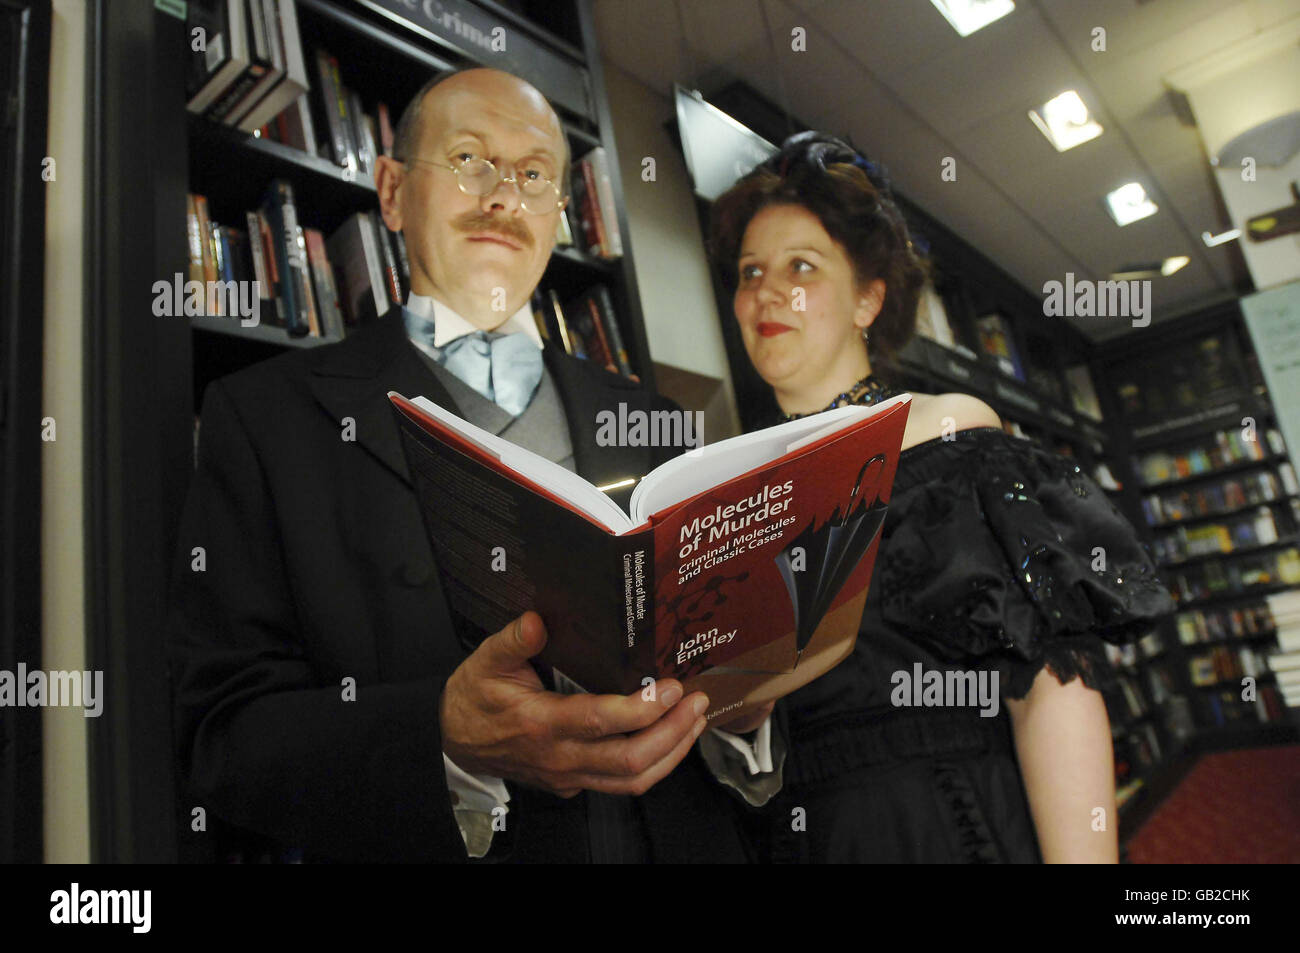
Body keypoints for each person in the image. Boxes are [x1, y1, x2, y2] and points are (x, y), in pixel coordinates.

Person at [167, 67, 780, 864]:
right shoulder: (261, 418)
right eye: (466, 159)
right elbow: (220, 736)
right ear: (391, 193)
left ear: (560, 214)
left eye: (532, 175)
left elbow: (738, 700)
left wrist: (741, 709)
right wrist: (446, 737)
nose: (502, 196)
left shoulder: (663, 424)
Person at [708, 131, 1177, 862]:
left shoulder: (948, 430)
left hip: (950, 823)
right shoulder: (724, 495)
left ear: (868, 297)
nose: (767, 291)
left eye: (801, 265)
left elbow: (1050, 683)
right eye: (749, 271)